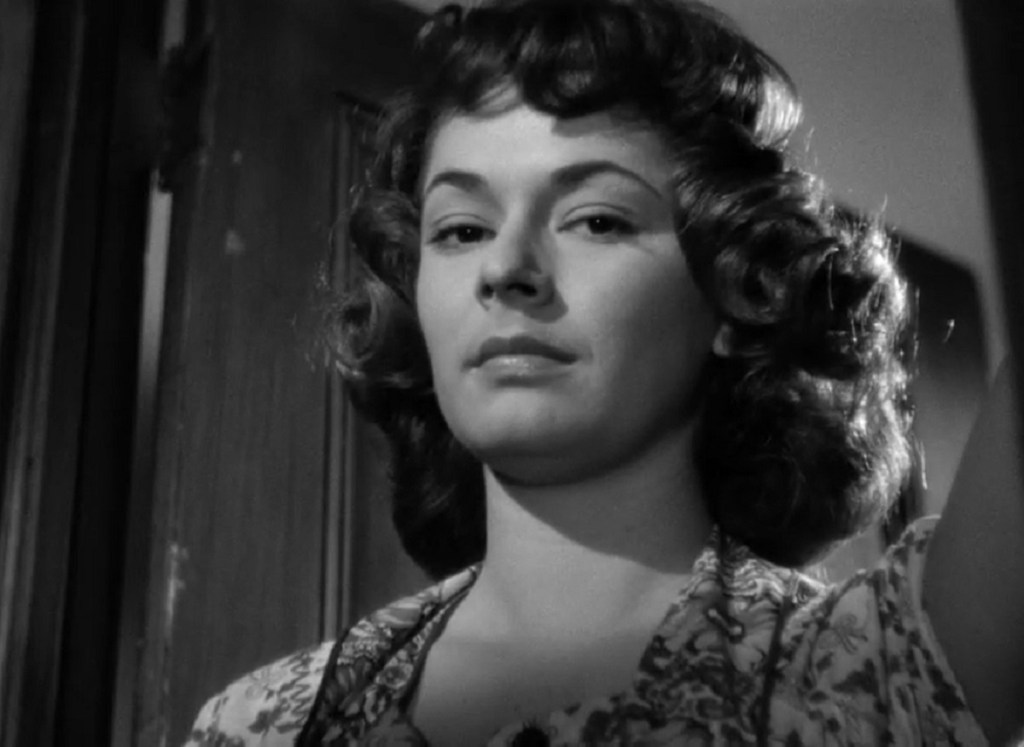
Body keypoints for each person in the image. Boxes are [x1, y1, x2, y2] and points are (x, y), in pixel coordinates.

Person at [185, 0, 1024, 744]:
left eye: (595, 220)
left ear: (739, 292)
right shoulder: (259, 726)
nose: (505, 269)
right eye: (462, 230)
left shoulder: (879, 672)